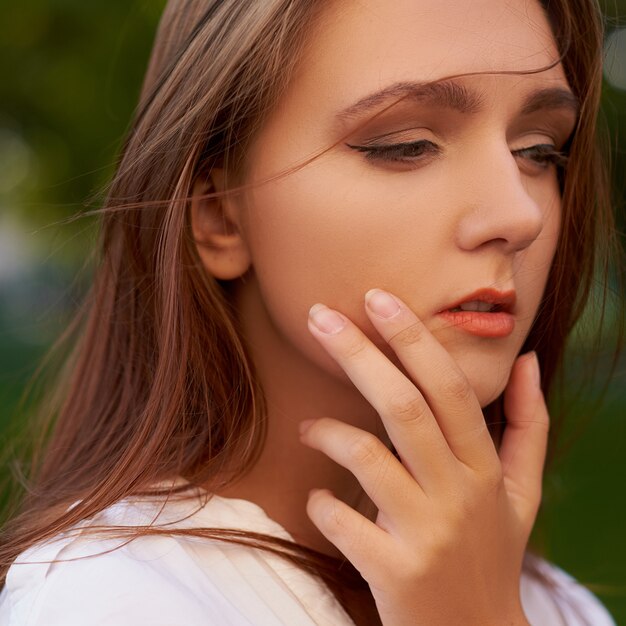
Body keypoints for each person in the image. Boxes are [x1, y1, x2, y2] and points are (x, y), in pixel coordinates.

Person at [0, 0, 621, 624]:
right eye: (405, 145)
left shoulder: (557, 606)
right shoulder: (102, 600)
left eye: (539, 151)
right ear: (218, 213)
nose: (519, 215)